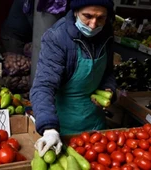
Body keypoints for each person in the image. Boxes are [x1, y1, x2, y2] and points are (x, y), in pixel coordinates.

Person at [30, 0, 117, 157]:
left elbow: (108, 71)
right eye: (87, 16)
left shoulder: (107, 32)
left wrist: (109, 89)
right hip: (63, 126)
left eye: (100, 18)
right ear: (76, 11)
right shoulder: (57, 37)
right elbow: (43, 86)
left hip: (96, 123)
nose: (93, 24)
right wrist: (49, 127)